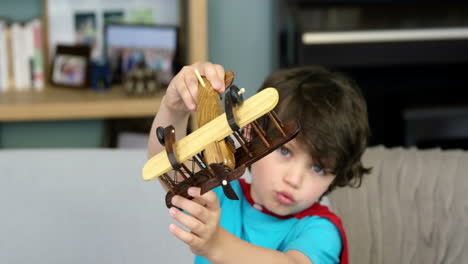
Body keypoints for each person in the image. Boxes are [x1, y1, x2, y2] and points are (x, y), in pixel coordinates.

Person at [147, 61, 371, 264]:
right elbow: (169, 169)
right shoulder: (221, 195)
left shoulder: (321, 230)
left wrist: (216, 245)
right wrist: (174, 107)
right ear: (250, 133)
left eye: (318, 168)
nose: (293, 179)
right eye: (285, 151)